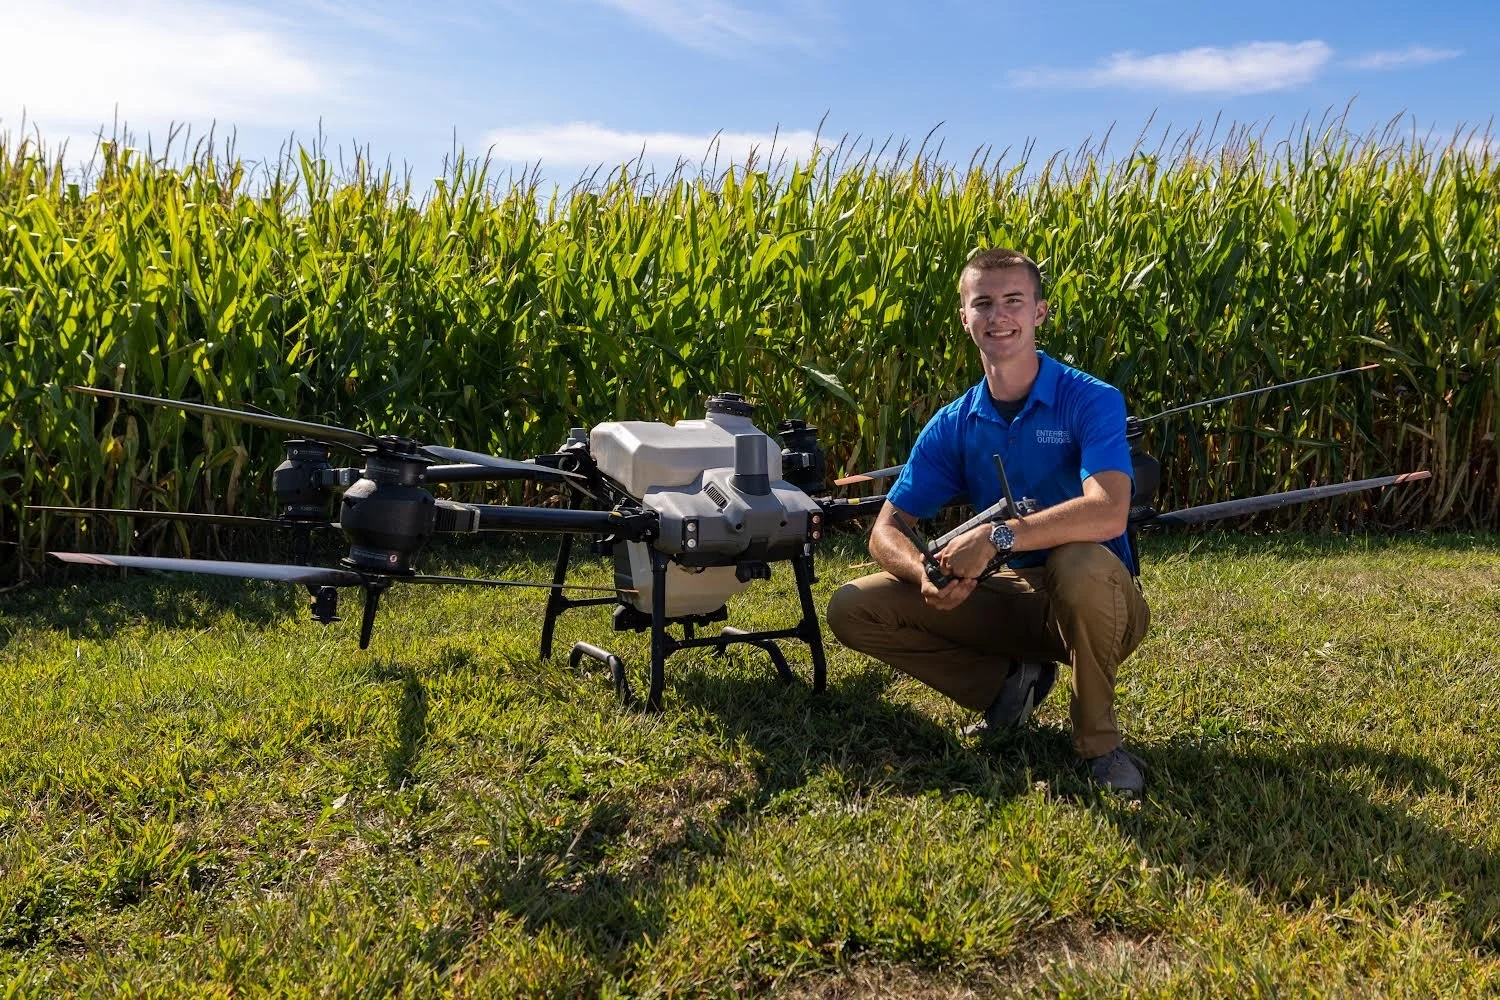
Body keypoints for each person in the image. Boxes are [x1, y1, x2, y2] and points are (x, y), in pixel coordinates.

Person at [826, 247, 1151, 796]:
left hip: (1100, 601)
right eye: (983, 303)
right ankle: (1010, 687)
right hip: (1007, 595)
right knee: (853, 607)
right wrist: (923, 571)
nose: (998, 316)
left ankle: (1100, 745)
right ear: (965, 318)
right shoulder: (955, 421)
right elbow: (885, 530)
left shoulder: (1091, 399)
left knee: (1076, 562)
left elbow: (1108, 509)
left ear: (1039, 312)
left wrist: (999, 535)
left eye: (1013, 301)